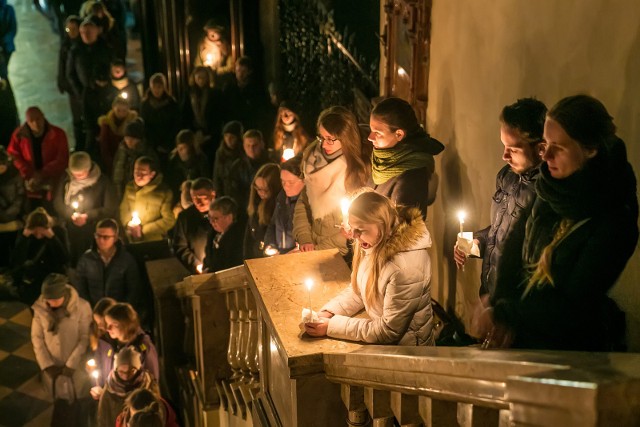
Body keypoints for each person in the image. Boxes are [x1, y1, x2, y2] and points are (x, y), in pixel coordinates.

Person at [480, 95, 639, 352]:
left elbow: (575, 303)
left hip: (569, 353)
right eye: (547, 144)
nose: (548, 156)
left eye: (560, 147)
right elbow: (513, 249)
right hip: (523, 343)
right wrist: (497, 302)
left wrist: (508, 314)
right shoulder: (548, 188)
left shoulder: (614, 214)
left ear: (590, 149)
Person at [305, 191, 435, 345]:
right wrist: (329, 312)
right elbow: (361, 290)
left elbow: (389, 331)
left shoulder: (405, 269)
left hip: (408, 353)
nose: (353, 235)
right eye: (352, 227)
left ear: (384, 225)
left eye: (360, 229)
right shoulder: (374, 243)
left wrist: (332, 326)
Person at [453, 98, 547, 298]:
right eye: (503, 146)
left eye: (513, 149)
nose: (504, 155)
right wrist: (475, 243)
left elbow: (526, 260)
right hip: (489, 296)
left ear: (541, 149)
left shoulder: (545, 195)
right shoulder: (507, 177)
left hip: (513, 307)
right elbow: (498, 232)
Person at [293, 106, 368, 256]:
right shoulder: (313, 162)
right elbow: (303, 205)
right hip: (312, 249)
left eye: (330, 139)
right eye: (321, 138)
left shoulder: (358, 172)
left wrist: (317, 251)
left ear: (346, 138)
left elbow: (351, 229)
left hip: (342, 255)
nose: (323, 145)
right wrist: (305, 239)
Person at [31, 273, 92, 426]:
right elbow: (37, 338)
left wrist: (71, 365)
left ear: (64, 294)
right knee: (59, 406)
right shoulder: (40, 310)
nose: (51, 304)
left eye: (55, 299)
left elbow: (85, 336)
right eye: (48, 300)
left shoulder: (82, 307)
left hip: (75, 369)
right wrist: (47, 364)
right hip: (53, 369)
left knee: (77, 406)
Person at [367, 97, 444, 217]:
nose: (370, 137)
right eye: (371, 130)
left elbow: (404, 231)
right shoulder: (381, 160)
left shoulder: (413, 176)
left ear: (399, 134)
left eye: (377, 133)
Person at [53, 151, 118, 265]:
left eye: (81, 174)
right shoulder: (66, 179)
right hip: (71, 228)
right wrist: (70, 214)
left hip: (93, 229)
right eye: (74, 174)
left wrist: (88, 216)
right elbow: (58, 202)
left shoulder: (102, 182)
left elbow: (110, 208)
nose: (77, 177)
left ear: (89, 169)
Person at [8, 106, 70, 212]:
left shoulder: (58, 134)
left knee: (53, 210)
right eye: (31, 121)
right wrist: (28, 173)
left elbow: (62, 158)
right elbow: (14, 155)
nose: (36, 124)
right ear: (27, 121)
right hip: (30, 182)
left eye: (38, 119)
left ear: (43, 117)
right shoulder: (18, 136)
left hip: (53, 181)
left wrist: (43, 173)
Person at [74, 218, 143, 310]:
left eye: (105, 237)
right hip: (94, 312)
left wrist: (122, 311)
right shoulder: (86, 259)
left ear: (115, 238)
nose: (101, 240)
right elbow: (81, 288)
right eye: (98, 236)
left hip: (118, 313)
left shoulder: (126, 260)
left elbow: (133, 290)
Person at [10, 207, 69, 305]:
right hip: (33, 277)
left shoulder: (58, 232)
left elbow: (64, 258)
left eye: (40, 230)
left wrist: (53, 238)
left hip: (52, 276)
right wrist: (24, 238)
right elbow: (16, 260)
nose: (38, 235)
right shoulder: (26, 235)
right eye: (35, 231)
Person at [96, 346, 160, 427]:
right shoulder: (109, 389)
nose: (126, 376)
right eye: (121, 372)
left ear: (138, 369)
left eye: (131, 371)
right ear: (116, 370)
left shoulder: (149, 385)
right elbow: (103, 419)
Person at [119, 156, 175, 243]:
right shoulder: (129, 187)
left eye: (143, 173)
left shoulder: (164, 192)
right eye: (136, 172)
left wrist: (143, 230)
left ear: (152, 174)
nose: (138, 176)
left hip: (153, 240)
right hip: (130, 238)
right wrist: (128, 225)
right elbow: (124, 209)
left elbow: (169, 220)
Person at [104, 303, 159, 380]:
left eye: (114, 324)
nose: (108, 329)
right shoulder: (114, 346)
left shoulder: (143, 348)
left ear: (126, 325)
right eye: (107, 324)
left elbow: (151, 379)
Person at [172, 177, 216, 274]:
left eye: (203, 198)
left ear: (213, 194)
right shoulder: (185, 218)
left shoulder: (222, 213)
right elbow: (180, 246)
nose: (198, 202)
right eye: (194, 198)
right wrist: (195, 264)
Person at [180, 66, 223, 161]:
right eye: (198, 77)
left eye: (203, 77)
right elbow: (185, 114)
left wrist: (208, 134)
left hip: (210, 134)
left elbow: (218, 114)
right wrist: (193, 133)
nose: (200, 80)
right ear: (194, 78)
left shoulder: (215, 93)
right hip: (193, 133)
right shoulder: (189, 93)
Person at [264, 154, 304, 254]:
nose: (285, 186)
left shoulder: (308, 204)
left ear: (304, 180)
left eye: (290, 182)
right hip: (280, 253)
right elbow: (273, 224)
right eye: (283, 182)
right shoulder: (282, 196)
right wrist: (269, 245)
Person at [225, 129, 271, 211]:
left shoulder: (270, 164)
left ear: (261, 144)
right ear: (243, 146)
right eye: (248, 146)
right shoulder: (237, 166)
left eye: (255, 145)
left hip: (267, 208)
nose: (251, 149)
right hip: (244, 209)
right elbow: (232, 190)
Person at [112, 118, 158, 199]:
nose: (129, 141)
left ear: (139, 139)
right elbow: (116, 166)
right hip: (119, 189)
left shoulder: (146, 153)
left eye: (133, 139)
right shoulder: (121, 150)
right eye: (127, 138)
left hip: (138, 193)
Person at [243, 163, 281, 259]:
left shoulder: (278, 207)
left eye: (266, 190)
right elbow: (248, 239)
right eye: (258, 189)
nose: (261, 193)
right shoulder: (255, 205)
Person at [139, 73, 180, 161]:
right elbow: (145, 125)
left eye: (159, 87)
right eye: (154, 87)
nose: (156, 90)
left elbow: (176, 124)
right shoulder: (145, 105)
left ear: (164, 87)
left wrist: (167, 143)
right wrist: (154, 143)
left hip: (168, 145)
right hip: (152, 146)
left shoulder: (171, 103)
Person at [58, 15, 84, 146]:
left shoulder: (81, 45)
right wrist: (61, 81)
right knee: (76, 116)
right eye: (69, 30)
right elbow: (61, 65)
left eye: (74, 29)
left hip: (82, 86)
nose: (72, 32)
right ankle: (80, 142)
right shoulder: (65, 45)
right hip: (71, 88)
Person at [166, 129, 210, 204]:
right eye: (179, 148)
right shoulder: (174, 161)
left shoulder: (201, 160)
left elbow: (205, 182)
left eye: (183, 148)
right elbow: (171, 184)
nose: (180, 151)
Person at [203, 196, 245, 273]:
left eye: (215, 218)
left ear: (229, 217)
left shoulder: (238, 239)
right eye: (209, 218)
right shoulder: (212, 236)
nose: (211, 222)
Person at [98, 97, 138, 177]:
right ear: (113, 108)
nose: (121, 113)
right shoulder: (107, 123)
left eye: (124, 111)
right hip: (112, 159)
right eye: (118, 110)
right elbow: (104, 145)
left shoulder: (133, 122)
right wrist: (110, 163)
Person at [0, 146, 24, 268]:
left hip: (14, 218)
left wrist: (12, 213)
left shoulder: (14, 175)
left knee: (14, 250)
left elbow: (21, 196)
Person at [193, 20, 234, 89]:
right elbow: (198, 62)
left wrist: (219, 70)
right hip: (205, 79)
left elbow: (230, 65)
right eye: (210, 31)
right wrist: (204, 70)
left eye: (215, 31)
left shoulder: (225, 46)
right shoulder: (202, 45)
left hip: (220, 79)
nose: (212, 34)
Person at [212, 120, 243, 197]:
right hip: (224, 194)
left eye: (232, 137)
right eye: (226, 136)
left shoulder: (243, 153)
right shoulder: (220, 153)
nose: (228, 140)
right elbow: (216, 177)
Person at [0, 0, 17, 79]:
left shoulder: (9, 10)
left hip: (7, 47)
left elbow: (13, 29)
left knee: (3, 69)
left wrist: (4, 41)